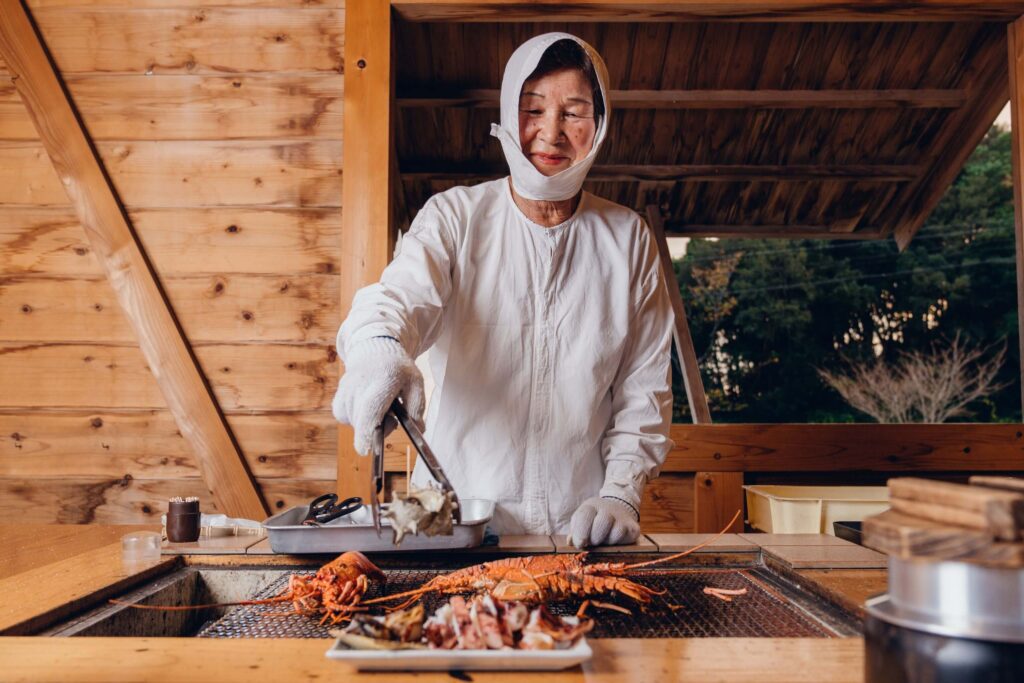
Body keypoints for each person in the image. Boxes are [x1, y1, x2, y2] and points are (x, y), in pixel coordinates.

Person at [333, 32, 674, 547]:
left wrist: (621, 493)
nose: (551, 133)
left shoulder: (628, 240)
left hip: (574, 526)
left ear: (599, 125)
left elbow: (643, 390)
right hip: (448, 515)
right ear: (506, 114)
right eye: (532, 109)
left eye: (574, 112)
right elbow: (398, 297)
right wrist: (377, 348)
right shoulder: (454, 217)